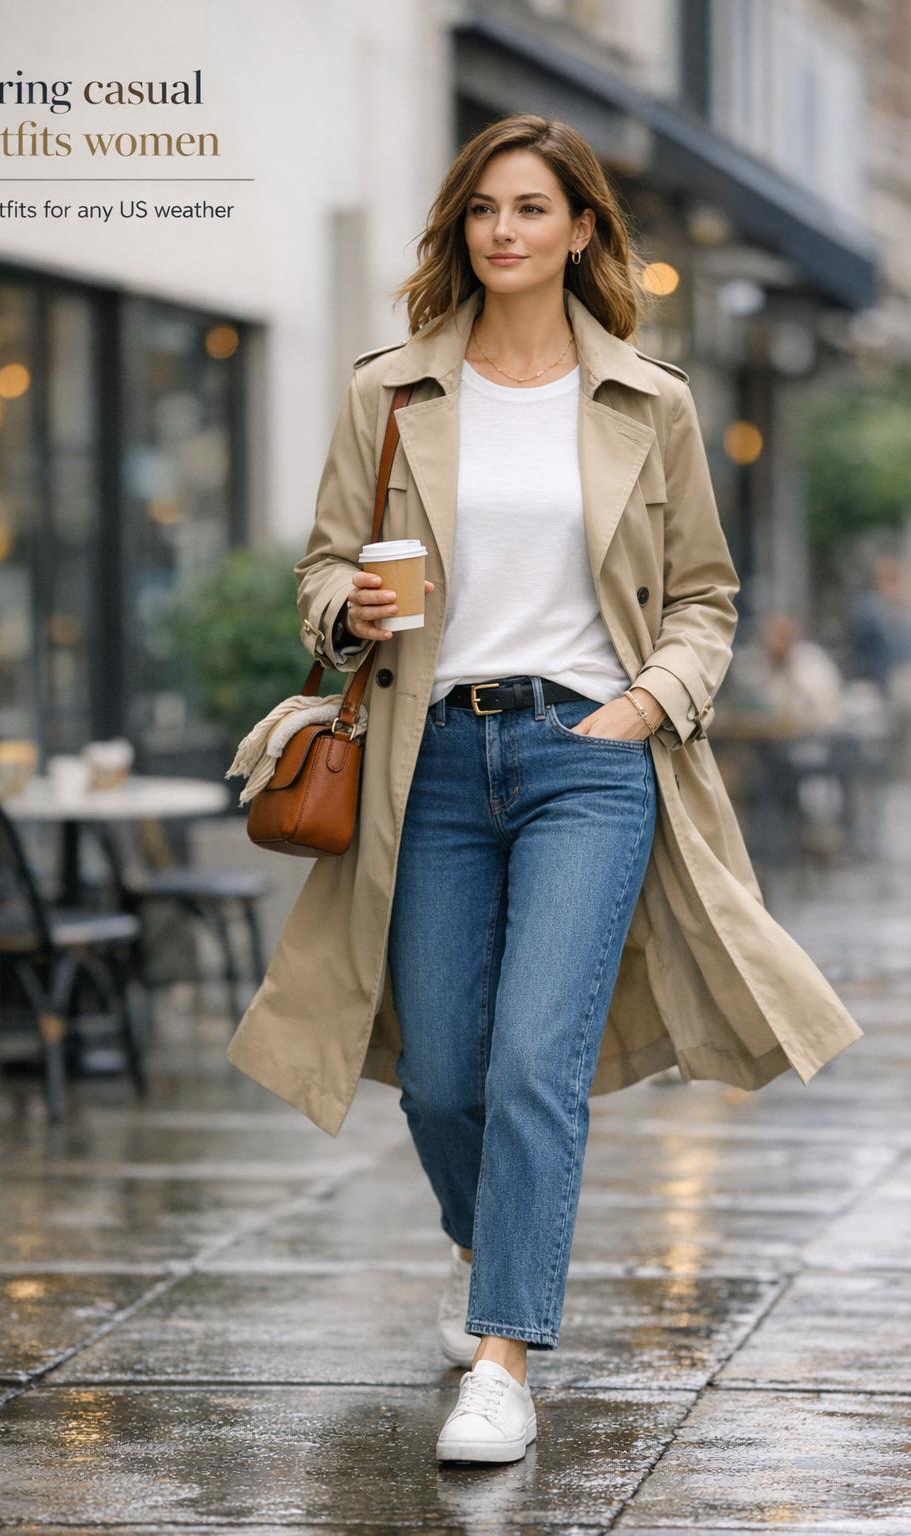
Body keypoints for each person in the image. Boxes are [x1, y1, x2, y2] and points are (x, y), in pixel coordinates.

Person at [224, 113, 864, 1468]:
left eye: (531, 209)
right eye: (482, 211)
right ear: (462, 231)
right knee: (443, 1075)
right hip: (431, 758)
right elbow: (321, 569)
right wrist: (351, 608)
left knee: (532, 1063)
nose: (504, 231)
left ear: (583, 231)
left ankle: (506, 1356)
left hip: (590, 760)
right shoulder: (390, 392)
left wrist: (647, 705)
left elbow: (705, 596)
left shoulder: (652, 402)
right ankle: (484, 1243)